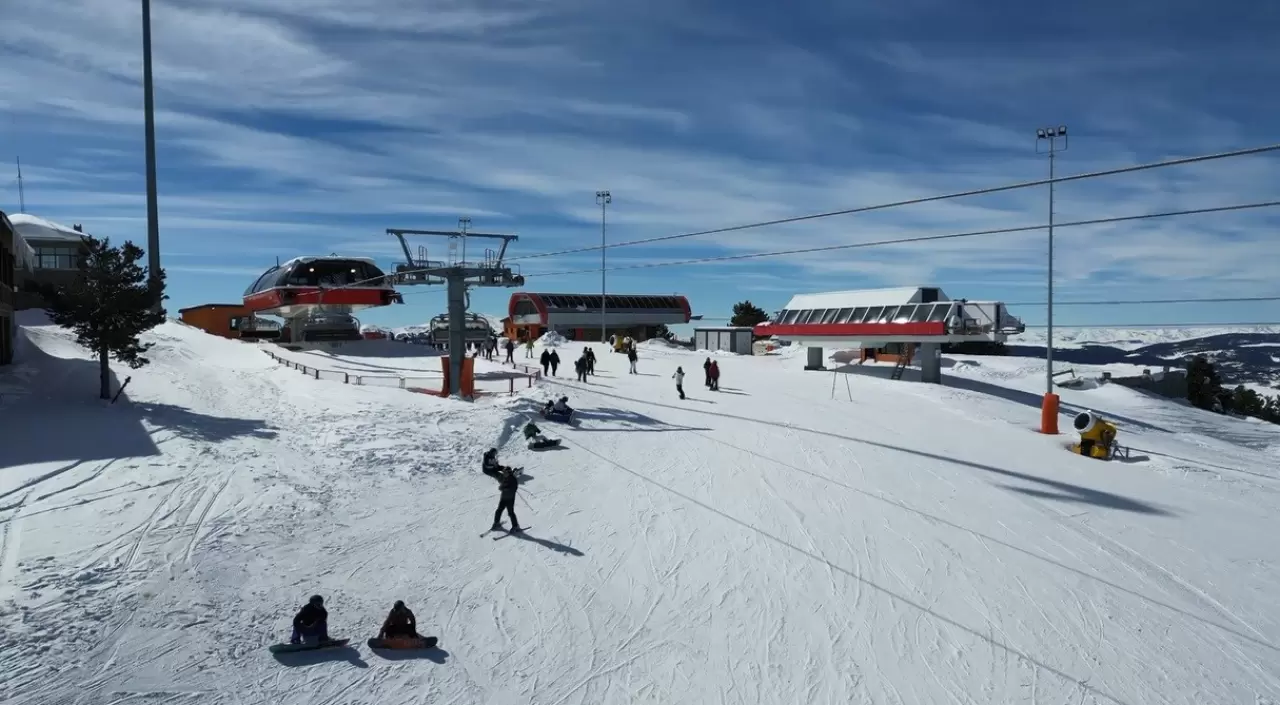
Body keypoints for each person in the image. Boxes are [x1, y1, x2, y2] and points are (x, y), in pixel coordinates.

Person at [492, 465, 522, 532]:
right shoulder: (504, 478)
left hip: (510, 499)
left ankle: (515, 526)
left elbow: (513, 489)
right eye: (504, 472)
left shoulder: (513, 479)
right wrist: (501, 487)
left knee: (510, 513)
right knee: (499, 510)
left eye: (505, 472)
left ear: (509, 472)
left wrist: (503, 488)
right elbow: (502, 485)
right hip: (503, 498)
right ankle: (496, 523)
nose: (504, 473)